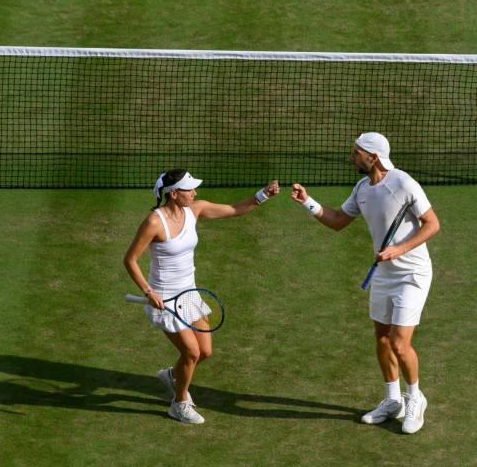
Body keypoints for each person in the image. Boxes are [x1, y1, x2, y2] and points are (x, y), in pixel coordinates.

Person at [290, 132, 440, 434]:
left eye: (356, 152)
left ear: (373, 156)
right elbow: (337, 221)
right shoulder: (361, 189)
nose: (351, 157)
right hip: (384, 273)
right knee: (382, 338)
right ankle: (392, 399)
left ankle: (415, 398)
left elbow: (432, 224)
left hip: (412, 274)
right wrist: (308, 202)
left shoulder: (403, 182)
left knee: (399, 342)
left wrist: (399, 249)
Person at [124, 169, 279, 424]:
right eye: (189, 189)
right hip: (166, 300)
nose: (195, 193)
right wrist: (149, 292)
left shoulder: (195, 209)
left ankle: (173, 376)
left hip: (190, 293)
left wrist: (264, 195)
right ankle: (180, 402)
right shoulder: (154, 222)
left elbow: (234, 209)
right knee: (192, 353)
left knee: (205, 351)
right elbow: (130, 260)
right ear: (173, 194)